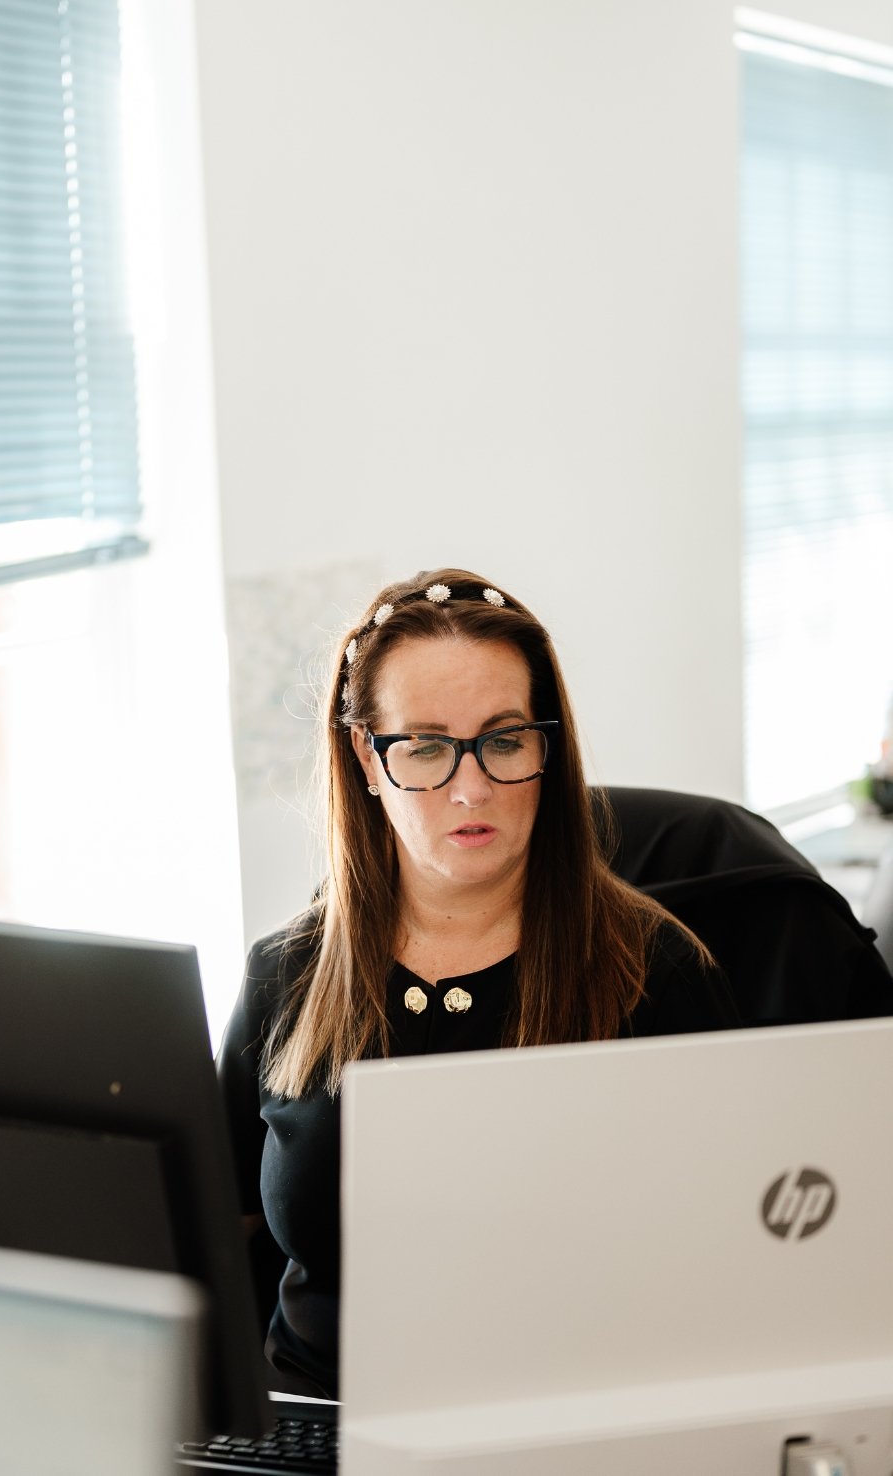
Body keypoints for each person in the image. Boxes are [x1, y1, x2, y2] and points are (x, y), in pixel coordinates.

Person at [218, 567, 738, 1399]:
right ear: (366, 755)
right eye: (423, 745)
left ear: (546, 745)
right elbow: (214, 1238)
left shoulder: (654, 974)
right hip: (319, 1422)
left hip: (559, 1426)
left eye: (503, 741)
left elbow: (724, 1268)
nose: (472, 788)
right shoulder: (287, 973)